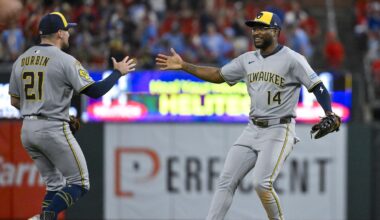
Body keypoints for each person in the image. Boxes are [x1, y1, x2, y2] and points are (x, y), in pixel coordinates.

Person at [156, 11, 339, 220]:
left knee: (262, 183)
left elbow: (318, 86)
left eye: (262, 28)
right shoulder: (247, 60)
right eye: (254, 28)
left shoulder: (292, 59)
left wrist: (329, 112)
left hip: (279, 128)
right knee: (226, 180)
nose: (256, 32)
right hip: (252, 129)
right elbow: (218, 75)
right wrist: (184, 66)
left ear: (276, 31)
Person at [8, 12, 136, 220]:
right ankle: (44, 217)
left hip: (28, 130)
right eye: (67, 30)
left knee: (55, 184)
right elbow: (95, 91)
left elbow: (15, 102)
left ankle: (43, 218)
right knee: (80, 183)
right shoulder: (65, 60)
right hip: (52, 127)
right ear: (59, 33)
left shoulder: (21, 60)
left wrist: (40, 110)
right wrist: (117, 73)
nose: (69, 34)